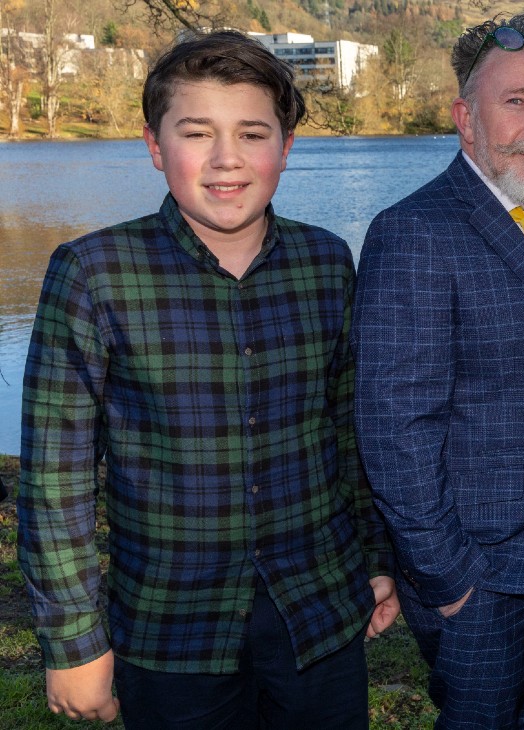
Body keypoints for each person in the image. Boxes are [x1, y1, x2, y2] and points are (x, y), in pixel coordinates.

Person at [17, 30, 398, 728]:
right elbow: (54, 478)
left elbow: (349, 431)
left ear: (285, 146)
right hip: (171, 633)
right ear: (155, 145)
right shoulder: (95, 273)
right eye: (197, 133)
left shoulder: (326, 262)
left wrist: (376, 557)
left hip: (319, 617)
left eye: (253, 134)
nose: (227, 159)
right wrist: (74, 643)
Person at [351, 12, 524, 729]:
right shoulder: (415, 231)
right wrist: (448, 578)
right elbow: (395, 427)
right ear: (466, 119)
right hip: (478, 576)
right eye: (516, 101)